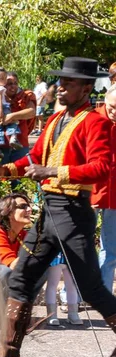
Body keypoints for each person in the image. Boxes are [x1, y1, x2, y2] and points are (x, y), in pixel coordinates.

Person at [0, 57, 116, 357]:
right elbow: (34, 156)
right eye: (60, 81)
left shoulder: (96, 123)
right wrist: (6, 170)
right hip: (49, 214)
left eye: (68, 83)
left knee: (91, 289)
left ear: (86, 88)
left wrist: (52, 171)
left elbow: (101, 169)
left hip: (73, 215)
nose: (60, 86)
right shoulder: (58, 118)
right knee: (22, 278)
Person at [0, 71, 36, 167]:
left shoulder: (25, 97)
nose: (13, 86)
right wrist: (1, 121)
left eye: (15, 83)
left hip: (19, 145)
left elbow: (31, 112)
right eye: (9, 84)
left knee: (18, 179)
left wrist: (11, 117)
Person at [91, 84, 116, 294]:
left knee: (111, 250)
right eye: (112, 107)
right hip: (91, 191)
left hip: (115, 196)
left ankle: (104, 295)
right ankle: (73, 294)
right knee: (82, 246)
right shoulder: (92, 121)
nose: (114, 112)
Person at [44, 253, 82, 326]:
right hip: (56, 254)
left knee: (72, 285)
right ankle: (51, 315)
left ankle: (73, 314)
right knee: (52, 284)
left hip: (71, 254)